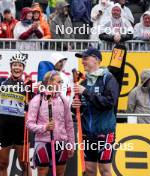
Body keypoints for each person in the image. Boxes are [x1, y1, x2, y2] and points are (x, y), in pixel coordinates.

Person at [72, 47, 119, 176]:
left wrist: (86, 93)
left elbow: (109, 103)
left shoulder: (108, 78)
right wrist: (75, 105)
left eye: (86, 58)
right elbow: (79, 108)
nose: (83, 62)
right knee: (89, 171)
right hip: (87, 134)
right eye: (82, 59)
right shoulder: (84, 82)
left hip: (104, 133)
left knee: (105, 170)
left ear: (97, 60)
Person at [26, 70, 75, 176]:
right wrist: (45, 127)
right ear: (49, 82)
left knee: (60, 173)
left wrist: (71, 144)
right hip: (43, 143)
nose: (61, 84)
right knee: (42, 172)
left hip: (61, 143)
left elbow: (69, 124)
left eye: (61, 82)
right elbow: (29, 124)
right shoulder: (37, 100)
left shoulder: (63, 100)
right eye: (59, 81)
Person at [0, 53, 31, 176]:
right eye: (15, 65)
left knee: (24, 165)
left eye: (20, 65)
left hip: (21, 129)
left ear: (23, 68)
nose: (17, 68)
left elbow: (33, 105)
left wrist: (29, 91)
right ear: (11, 67)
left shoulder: (27, 84)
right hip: (4, 128)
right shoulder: (1, 81)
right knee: (3, 164)